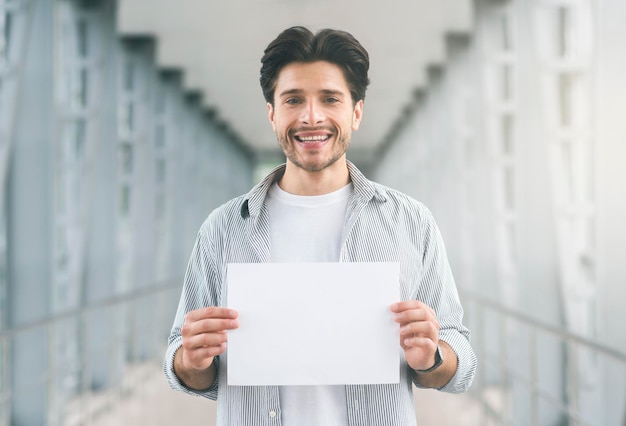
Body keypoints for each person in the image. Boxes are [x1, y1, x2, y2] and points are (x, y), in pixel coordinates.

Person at [164, 26, 476, 425]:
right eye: (294, 100)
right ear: (273, 113)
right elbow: (182, 362)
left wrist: (431, 357)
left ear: (356, 112)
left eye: (330, 99)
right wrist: (192, 359)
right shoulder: (223, 228)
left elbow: (460, 361)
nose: (311, 117)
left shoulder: (411, 222)